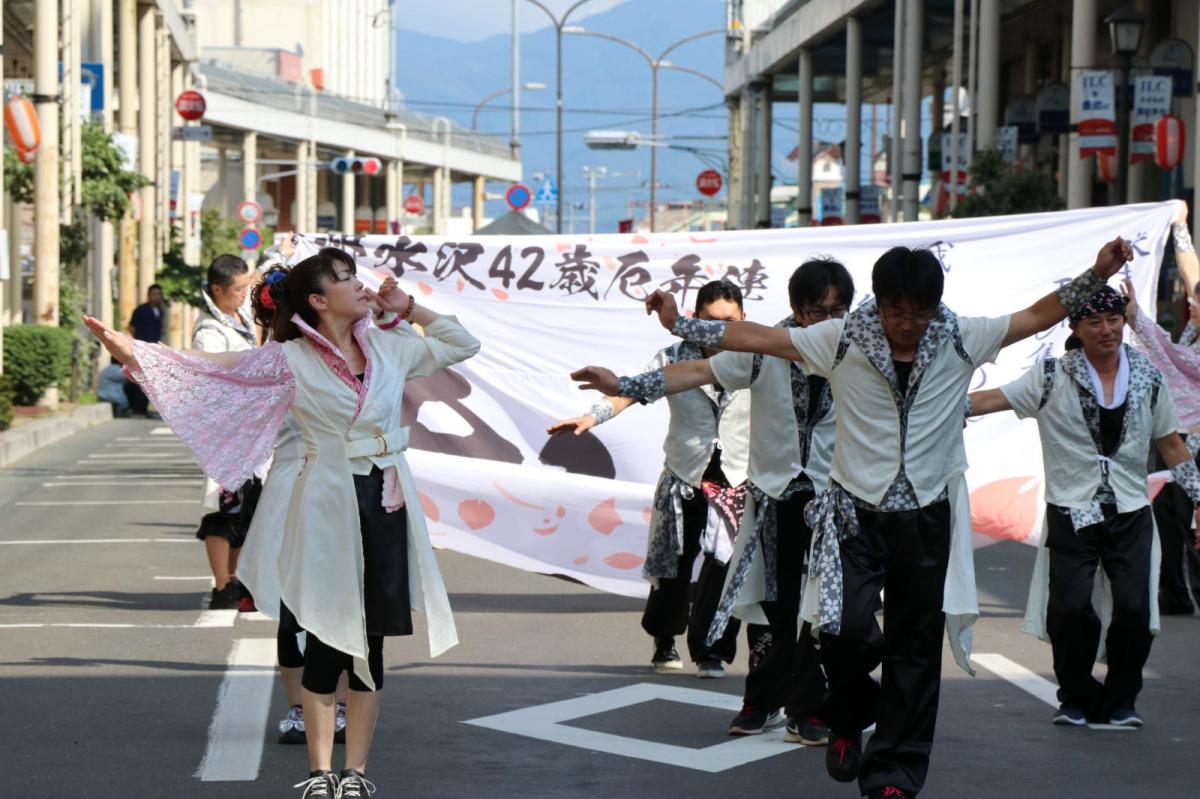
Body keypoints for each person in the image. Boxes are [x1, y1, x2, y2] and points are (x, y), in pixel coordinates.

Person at [572, 238, 1131, 799]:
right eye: (896, 311)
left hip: (926, 515)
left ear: (936, 306)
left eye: (919, 312)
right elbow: (758, 337)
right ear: (880, 302)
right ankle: (850, 712)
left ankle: (895, 773)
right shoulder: (840, 339)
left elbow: (1038, 315)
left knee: (915, 648)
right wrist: (675, 329)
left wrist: (1097, 271)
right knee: (838, 632)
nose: (907, 324)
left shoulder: (963, 337)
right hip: (850, 516)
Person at [84, 248, 479, 798]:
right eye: (345, 279)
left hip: (385, 502)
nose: (360, 285)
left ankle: (356, 772)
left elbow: (463, 344)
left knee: (372, 641)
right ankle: (320, 773)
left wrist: (408, 306)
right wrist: (137, 353)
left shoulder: (392, 345)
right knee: (324, 637)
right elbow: (212, 369)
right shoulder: (288, 359)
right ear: (318, 301)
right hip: (324, 502)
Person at [576, 259, 853, 743]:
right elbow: (696, 370)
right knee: (766, 603)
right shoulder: (765, 349)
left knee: (818, 610)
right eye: (815, 312)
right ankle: (761, 699)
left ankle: (808, 707)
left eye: (838, 310)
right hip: (767, 496)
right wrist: (619, 388)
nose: (826, 322)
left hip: (832, 501)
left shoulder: (857, 349)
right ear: (794, 310)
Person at [968, 284, 1200, 727]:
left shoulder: (1148, 378)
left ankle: (1121, 700)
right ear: (1074, 326)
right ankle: (1075, 695)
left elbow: (1172, 445)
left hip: (1130, 511)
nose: (1106, 329)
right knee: (1071, 608)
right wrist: (931, 405)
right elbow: (994, 399)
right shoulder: (1052, 375)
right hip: (1072, 508)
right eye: (1094, 321)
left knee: (1134, 607)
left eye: (1113, 319)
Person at [549, 279, 751, 679]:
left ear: (743, 320)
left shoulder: (758, 359)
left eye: (728, 322)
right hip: (685, 475)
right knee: (671, 566)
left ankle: (713, 650)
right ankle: (664, 637)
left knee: (726, 568)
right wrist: (593, 416)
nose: (718, 330)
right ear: (694, 319)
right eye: (710, 321)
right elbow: (633, 389)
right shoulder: (673, 357)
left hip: (737, 479)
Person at [1130, 210, 1200, 614]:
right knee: (1169, 515)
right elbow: (1192, 276)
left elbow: (1169, 354)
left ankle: (1181, 591)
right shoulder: (1196, 320)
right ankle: (1173, 593)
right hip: (1176, 433)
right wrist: (1180, 227)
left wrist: (1137, 318)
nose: (1193, 305)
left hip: (1190, 439)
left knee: (1185, 514)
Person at [191, 254, 261, 611]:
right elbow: (213, 377)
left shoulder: (239, 315)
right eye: (237, 290)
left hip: (250, 429)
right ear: (217, 289)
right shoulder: (209, 330)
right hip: (225, 432)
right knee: (223, 508)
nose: (242, 295)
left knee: (247, 508)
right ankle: (222, 586)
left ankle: (233, 580)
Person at [126, 284, 165, 417]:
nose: (157, 296)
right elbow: (131, 327)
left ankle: (143, 408)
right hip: (142, 349)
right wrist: (138, 341)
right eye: (154, 294)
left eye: (159, 294)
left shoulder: (160, 311)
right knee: (140, 378)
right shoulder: (141, 310)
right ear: (148, 295)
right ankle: (137, 409)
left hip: (154, 350)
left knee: (150, 380)